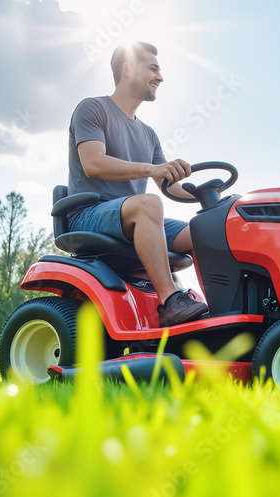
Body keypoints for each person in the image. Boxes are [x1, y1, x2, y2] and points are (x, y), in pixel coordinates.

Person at [67, 42, 209, 327]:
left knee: (205, 229)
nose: (160, 77)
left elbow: (166, 184)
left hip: (134, 218)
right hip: (89, 215)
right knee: (148, 204)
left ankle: (217, 307)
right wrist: (153, 168)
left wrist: (209, 198)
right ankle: (170, 301)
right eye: (153, 68)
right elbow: (93, 163)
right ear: (128, 68)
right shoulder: (92, 109)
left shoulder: (149, 134)